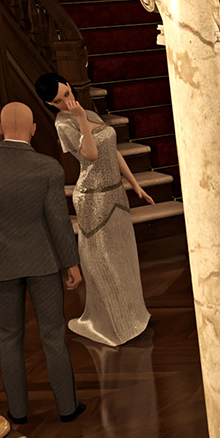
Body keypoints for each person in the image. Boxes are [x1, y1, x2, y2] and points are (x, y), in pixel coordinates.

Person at [0, 102, 85, 424]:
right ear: (33, 130)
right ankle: (67, 408)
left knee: (8, 337)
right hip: (42, 262)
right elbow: (58, 222)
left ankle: (17, 412)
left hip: (0, 263)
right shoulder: (48, 168)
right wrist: (71, 263)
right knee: (53, 336)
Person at [36, 72, 152, 347]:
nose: (67, 101)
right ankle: (112, 325)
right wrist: (79, 120)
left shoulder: (88, 112)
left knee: (122, 255)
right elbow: (91, 155)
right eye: (59, 100)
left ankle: (132, 316)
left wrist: (135, 185)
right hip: (92, 197)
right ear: (50, 104)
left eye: (67, 93)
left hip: (115, 192)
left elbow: (113, 151)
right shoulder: (64, 123)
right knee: (103, 261)